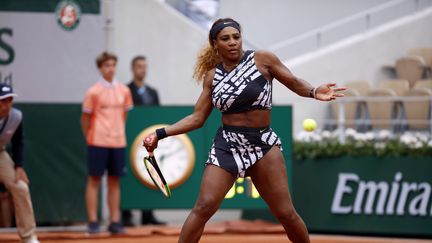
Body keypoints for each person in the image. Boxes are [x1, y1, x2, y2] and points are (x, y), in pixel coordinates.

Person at [143, 18, 346, 243]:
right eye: (225, 39)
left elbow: (293, 81)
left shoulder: (262, 59)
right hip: (227, 145)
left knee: (286, 214)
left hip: (263, 145)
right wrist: (161, 133)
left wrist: (313, 90)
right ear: (214, 44)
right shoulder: (212, 77)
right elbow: (197, 117)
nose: (232, 43)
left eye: (236, 37)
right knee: (203, 207)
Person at [81, 52, 133, 234]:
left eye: (113, 65)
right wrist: (90, 137)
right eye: (106, 65)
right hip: (97, 141)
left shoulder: (124, 91)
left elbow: (124, 116)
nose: (110, 68)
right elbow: (85, 119)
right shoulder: (93, 92)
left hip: (118, 142)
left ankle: (115, 222)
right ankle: (93, 221)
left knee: (114, 182)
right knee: (94, 180)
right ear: (100, 68)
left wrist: (117, 131)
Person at [123, 55, 164, 226]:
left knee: (150, 172)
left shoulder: (153, 92)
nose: (143, 69)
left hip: (148, 142)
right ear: (133, 69)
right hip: (129, 140)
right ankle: (126, 215)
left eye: (145, 66)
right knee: (128, 175)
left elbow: (156, 116)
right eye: (139, 66)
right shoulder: (125, 90)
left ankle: (148, 215)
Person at [0, 84, 39, 243]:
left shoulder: (16, 117)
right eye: (3, 101)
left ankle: (28, 236)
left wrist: (19, 166)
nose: (6, 105)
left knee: (21, 187)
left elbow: (18, 142)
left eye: (9, 100)